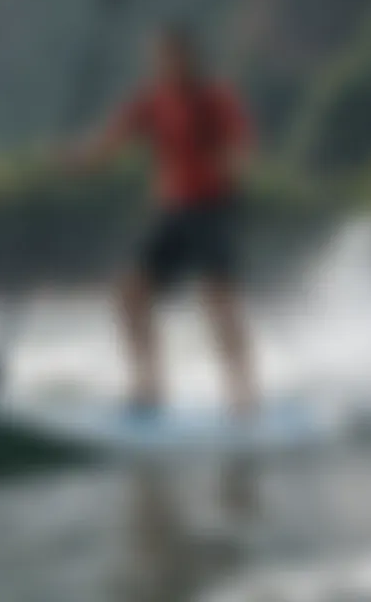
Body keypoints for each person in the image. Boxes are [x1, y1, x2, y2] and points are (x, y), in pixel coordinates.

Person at [62, 25, 256, 417]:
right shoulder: (151, 101)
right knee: (130, 292)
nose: (164, 65)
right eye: (158, 59)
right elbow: (110, 142)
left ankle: (242, 392)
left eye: (171, 57)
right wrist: (79, 159)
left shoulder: (214, 97)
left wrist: (231, 166)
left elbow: (240, 146)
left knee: (217, 299)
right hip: (171, 211)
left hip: (212, 208)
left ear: (189, 59)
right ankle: (149, 386)